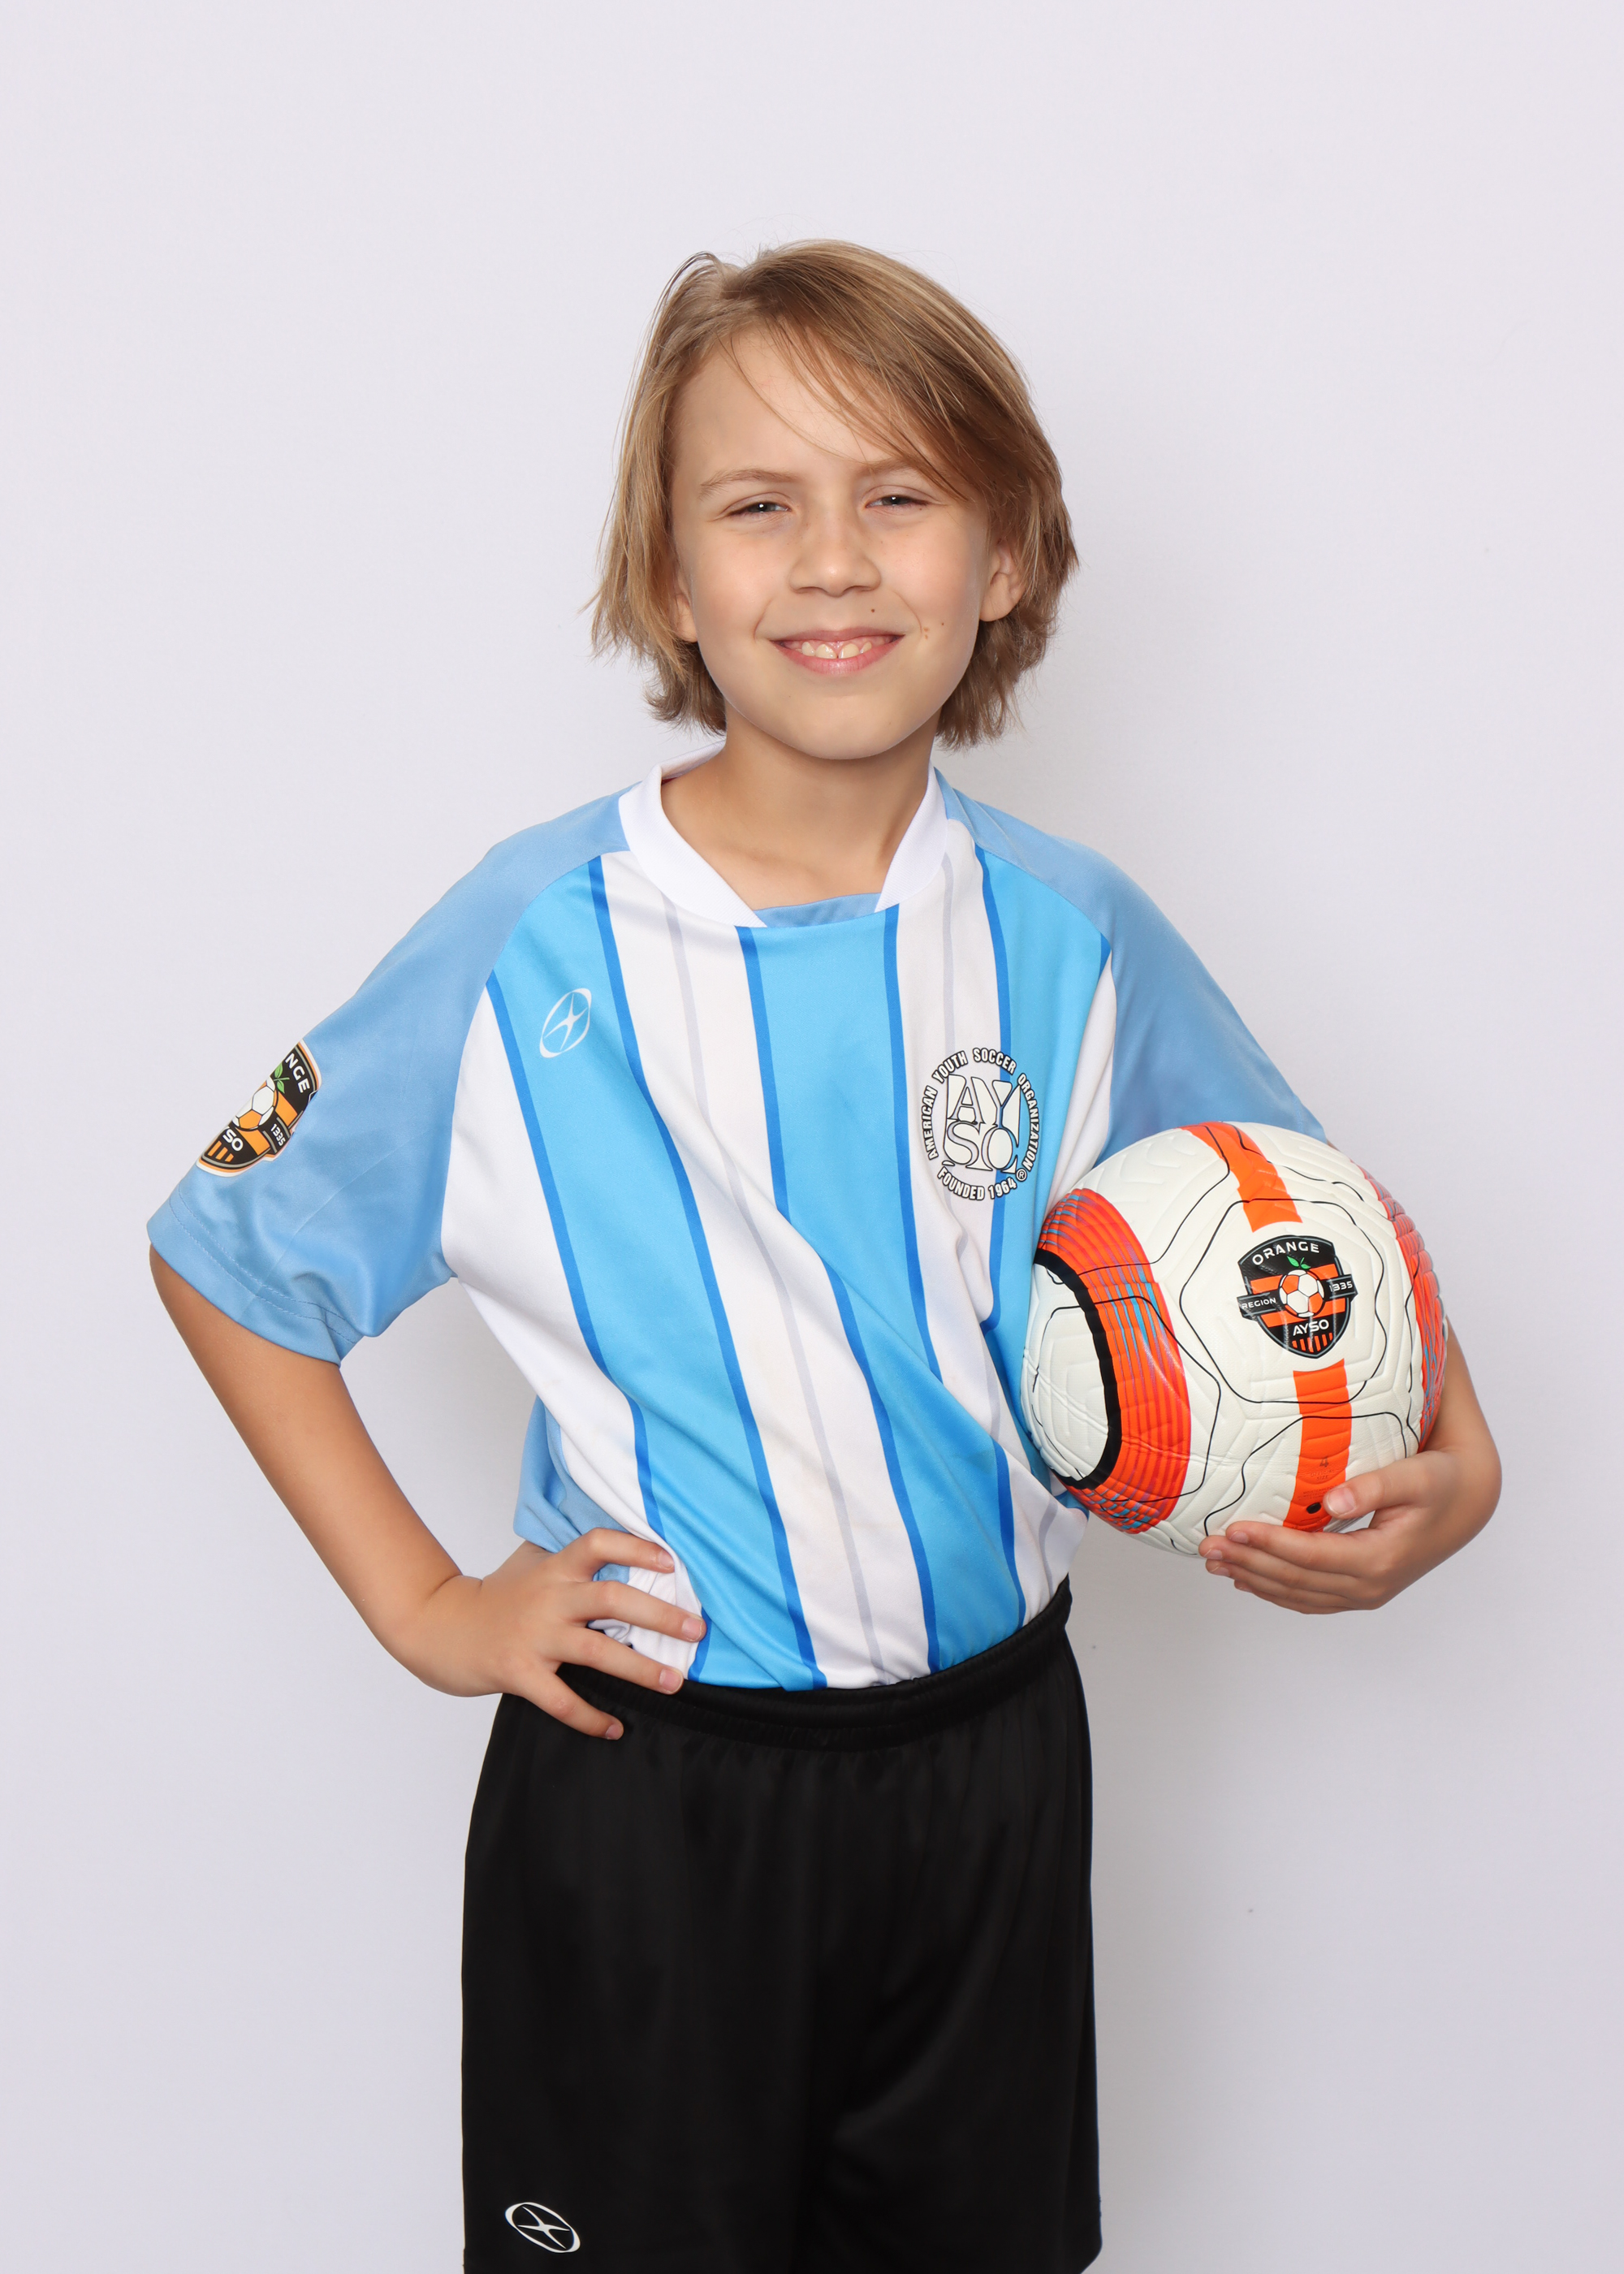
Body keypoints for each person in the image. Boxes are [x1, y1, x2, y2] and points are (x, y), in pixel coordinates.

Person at [148, 242, 1501, 2273]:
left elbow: (1317, 1231)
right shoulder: (532, 936)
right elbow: (230, 1254)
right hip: (649, 1787)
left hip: (993, 1764)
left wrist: (1457, 1467)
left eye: (899, 494)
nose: (835, 561)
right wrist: (427, 1604)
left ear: (1006, 554)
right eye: (757, 504)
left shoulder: (1075, 931)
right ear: (671, 578)